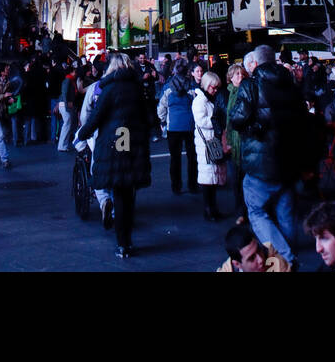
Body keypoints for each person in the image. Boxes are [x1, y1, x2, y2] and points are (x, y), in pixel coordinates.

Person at [228, 44, 309, 268]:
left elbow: (237, 119)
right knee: (286, 213)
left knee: (256, 211)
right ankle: (285, 258)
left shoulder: (251, 85)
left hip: (260, 163)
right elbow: (303, 119)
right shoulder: (291, 85)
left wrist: (254, 126)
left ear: (255, 62)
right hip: (289, 161)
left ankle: (286, 259)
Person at [75, 51, 151, 260]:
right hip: (133, 143)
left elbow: (96, 117)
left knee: (119, 192)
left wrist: (82, 133)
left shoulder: (109, 88)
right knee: (129, 193)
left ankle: (122, 243)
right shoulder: (136, 87)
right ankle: (128, 239)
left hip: (115, 141)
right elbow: (146, 117)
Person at [77, 55, 113, 229]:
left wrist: (85, 131)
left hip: (98, 134)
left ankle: (104, 200)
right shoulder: (125, 86)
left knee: (96, 168)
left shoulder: (95, 87)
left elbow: (85, 116)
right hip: (123, 134)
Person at [158, 57, 197, 195]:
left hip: (173, 126)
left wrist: (163, 121)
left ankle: (176, 186)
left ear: (174, 71)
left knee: (175, 158)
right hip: (190, 125)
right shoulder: (192, 86)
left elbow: (161, 108)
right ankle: (193, 185)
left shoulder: (168, 87)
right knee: (192, 157)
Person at [193, 70, 227, 221]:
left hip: (211, 141)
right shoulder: (200, 101)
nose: (215, 90)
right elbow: (202, 121)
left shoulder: (209, 99)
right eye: (213, 87)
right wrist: (217, 121)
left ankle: (212, 208)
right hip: (206, 142)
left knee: (212, 176)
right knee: (208, 178)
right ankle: (209, 209)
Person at [216, 220, 292, 272]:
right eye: (252, 258)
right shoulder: (227, 269)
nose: (261, 260)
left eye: (258, 249)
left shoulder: (277, 262)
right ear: (237, 264)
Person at [223, 62, 247, 211]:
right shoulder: (231, 92)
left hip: (241, 138)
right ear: (230, 77)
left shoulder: (242, 91)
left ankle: (243, 207)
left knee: (241, 175)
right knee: (236, 176)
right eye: (237, 74)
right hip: (234, 138)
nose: (240, 76)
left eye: (242, 73)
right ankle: (240, 207)